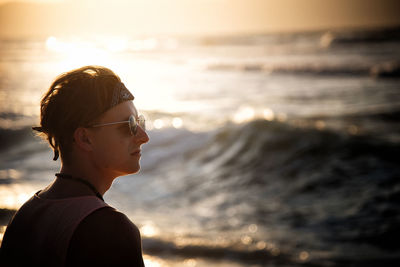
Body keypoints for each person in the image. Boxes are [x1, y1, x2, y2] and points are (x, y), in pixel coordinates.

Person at [0, 66, 149, 266]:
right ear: (85, 138)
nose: (143, 137)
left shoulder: (25, 216)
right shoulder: (110, 231)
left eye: (140, 122)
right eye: (129, 125)